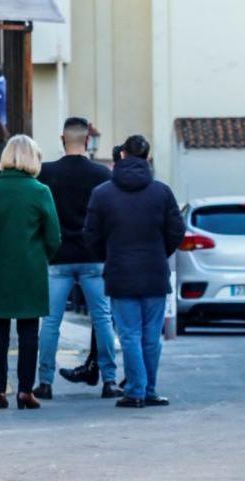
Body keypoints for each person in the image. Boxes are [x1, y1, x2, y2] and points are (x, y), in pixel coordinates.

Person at [84, 135, 185, 408]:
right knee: (151, 336)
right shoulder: (162, 192)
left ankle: (136, 391)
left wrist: (109, 255)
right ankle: (149, 390)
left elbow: (91, 234)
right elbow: (176, 230)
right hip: (154, 271)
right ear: (147, 157)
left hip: (120, 272)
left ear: (123, 156)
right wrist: (159, 252)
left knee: (129, 334)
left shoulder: (103, 193)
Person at [33, 117, 121, 400]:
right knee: (103, 319)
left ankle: (44, 382)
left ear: (62, 139)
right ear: (87, 141)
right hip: (93, 257)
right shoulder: (102, 175)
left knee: (50, 322)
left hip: (58, 256)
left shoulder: (45, 173)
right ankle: (109, 380)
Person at [0, 135, 61, 410]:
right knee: (29, 331)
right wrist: (41, 257)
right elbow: (53, 237)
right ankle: (25, 390)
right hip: (31, 268)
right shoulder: (40, 191)